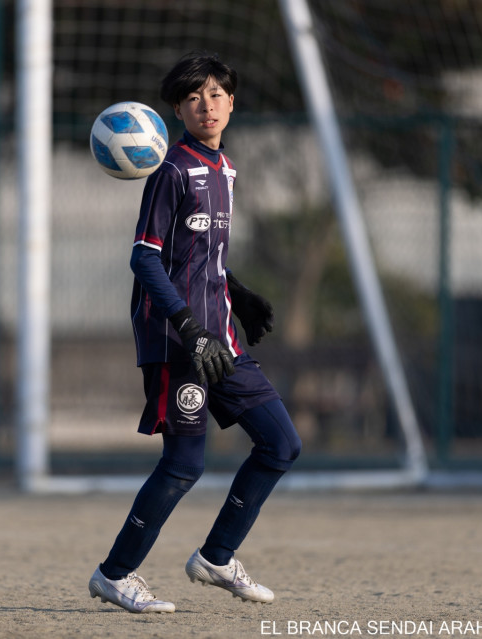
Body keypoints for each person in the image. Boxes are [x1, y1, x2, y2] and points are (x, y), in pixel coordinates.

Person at [88, 53, 302, 614]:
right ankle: (115, 574)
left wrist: (237, 292)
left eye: (215, 94)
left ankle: (216, 557)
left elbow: (202, 256)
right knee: (184, 465)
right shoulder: (171, 169)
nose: (205, 105)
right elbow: (145, 258)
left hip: (219, 338)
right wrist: (188, 327)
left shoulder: (226, 169)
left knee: (281, 444)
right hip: (178, 340)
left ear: (231, 102)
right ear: (176, 111)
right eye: (192, 98)